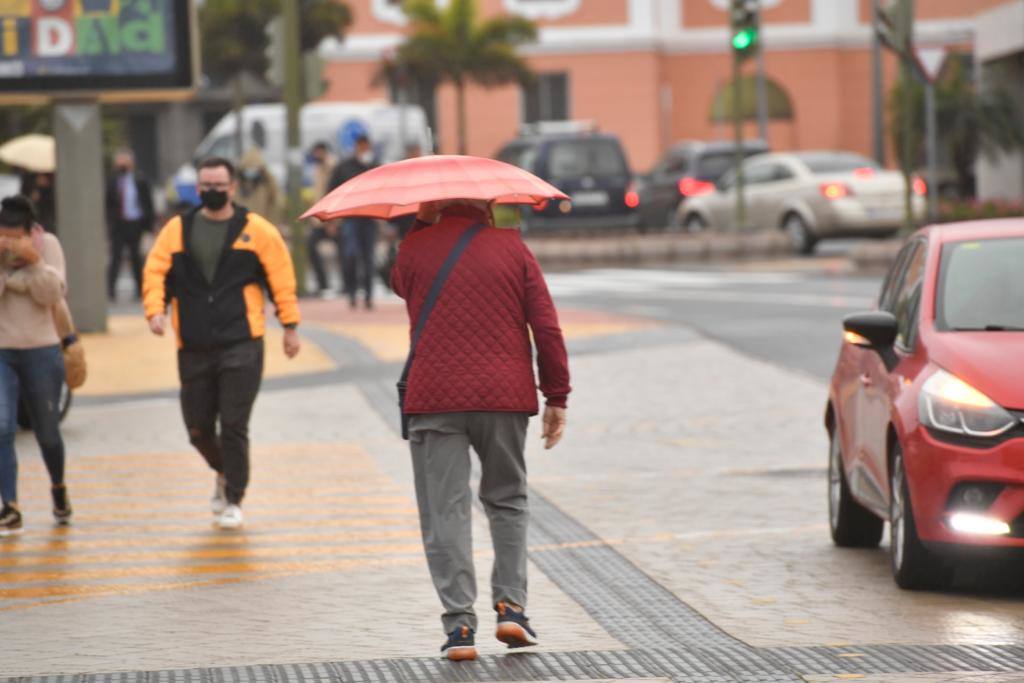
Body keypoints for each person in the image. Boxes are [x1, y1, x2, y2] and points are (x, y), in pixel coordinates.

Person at [391, 199, 570, 661]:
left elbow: (398, 283)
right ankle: (511, 606)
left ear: (435, 206)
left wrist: (420, 223)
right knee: (508, 499)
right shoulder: (513, 248)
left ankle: (460, 628)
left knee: (445, 509)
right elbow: (546, 327)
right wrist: (557, 395)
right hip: (503, 397)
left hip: (435, 399)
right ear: (487, 207)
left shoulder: (415, 250)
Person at [142, 157, 302, 530]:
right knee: (197, 429)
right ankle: (223, 472)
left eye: (219, 185)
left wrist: (290, 326)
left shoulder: (256, 231)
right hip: (193, 344)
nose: (212, 191)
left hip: (243, 343)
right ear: (197, 189)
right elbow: (155, 272)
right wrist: (155, 311)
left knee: (233, 424)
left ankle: (234, 498)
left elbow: (281, 277)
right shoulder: (177, 230)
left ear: (232, 188)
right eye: (206, 185)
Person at [0, 195, 72, 535]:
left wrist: (33, 264)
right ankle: (10, 504)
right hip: (2, 350)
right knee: (2, 427)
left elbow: (51, 295)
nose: (9, 242)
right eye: (4, 235)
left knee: (47, 433)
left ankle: (58, 488)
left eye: (15, 237)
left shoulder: (50, 246)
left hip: (41, 349)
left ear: (30, 233)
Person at [329, 135, 378, 309]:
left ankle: (368, 296)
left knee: (368, 258)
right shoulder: (344, 167)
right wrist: (331, 220)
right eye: (361, 146)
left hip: (369, 219)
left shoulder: (374, 166)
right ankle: (351, 293)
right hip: (350, 218)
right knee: (350, 256)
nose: (364, 150)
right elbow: (332, 191)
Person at [105, 149, 155, 302]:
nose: (121, 164)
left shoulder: (140, 179)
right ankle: (111, 291)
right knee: (115, 257)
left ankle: (140, 290)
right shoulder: (113, 180)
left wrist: (149, 227)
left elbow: (148, 203)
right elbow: (107, 203)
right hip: (118, 224)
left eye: (124, 160)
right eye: (119, 161)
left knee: (136, 257)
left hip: (136, 224)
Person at [306, 143, 345, 298]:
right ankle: (323, 284)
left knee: (344, 253)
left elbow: (335, 195)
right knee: (311, 246)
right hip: (320, 220)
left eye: (318, 153)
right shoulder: (317, 169)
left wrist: (333, 221)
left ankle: (347, 284)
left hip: (334, 219)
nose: (316, 156)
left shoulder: (333, 168)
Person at [237, 148, 283, 226]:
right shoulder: (236, 183)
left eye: (254, 168)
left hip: (261, 225)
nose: (251, 171)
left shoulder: (266, 183)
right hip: (240, 225)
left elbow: (276, 201)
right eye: (249, 167)